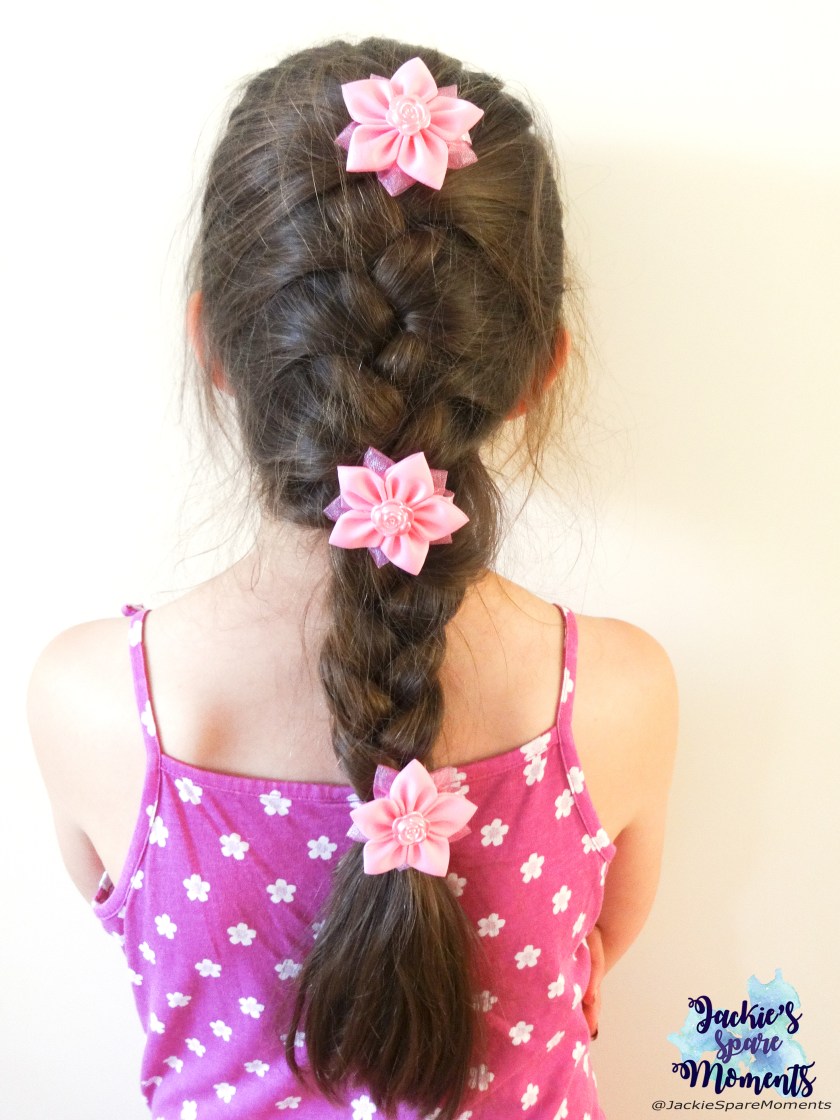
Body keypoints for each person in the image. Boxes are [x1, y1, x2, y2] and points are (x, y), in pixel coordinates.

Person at [27, 38, 677, 1120]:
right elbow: (601, 951)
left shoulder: (93, 698)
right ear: (536, 371)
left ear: (213, 345)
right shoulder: (619, 693)